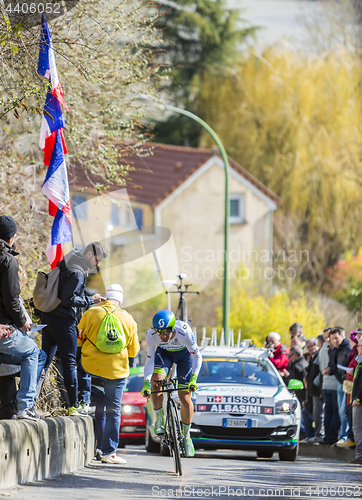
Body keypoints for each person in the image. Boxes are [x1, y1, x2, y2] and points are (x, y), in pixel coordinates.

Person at [41, 241, 108, 416]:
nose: (97, 264)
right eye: (97, 260)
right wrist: (90, 301)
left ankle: (28, 402)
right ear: (88, 255)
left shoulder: (68, 262)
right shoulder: (78, 272)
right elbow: (68, 299)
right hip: (64, 321)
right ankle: (74, 406)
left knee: (44, 363)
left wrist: (87, 296)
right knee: (70, 363)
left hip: (49, 317)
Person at [77, 283, 139, 464]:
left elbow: (79, 340)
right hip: (115, 371)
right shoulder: (128, 319)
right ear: (120, 301)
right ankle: (108, 452)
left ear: (105, 297)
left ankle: (94, 443)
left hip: (91, 368)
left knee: (98, 407)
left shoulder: (90, 313)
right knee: (113, 410)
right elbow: (134, 352)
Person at [0, 215, 46, 420]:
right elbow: (11, 299)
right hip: (4, 330)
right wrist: (23, 323)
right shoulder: (8, 260)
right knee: (33, 353)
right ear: (11, 238)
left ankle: (11, 405)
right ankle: (25, 406)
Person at [141, 310, 202, 458]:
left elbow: (197, 356)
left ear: (173, 327)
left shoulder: (184, 331)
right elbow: (149, 360)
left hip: (185, 357)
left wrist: (194, 378)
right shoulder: (151, 335)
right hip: (165, 354)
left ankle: (186, 436)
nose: (163, 336)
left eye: (167, 331)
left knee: (185, 397)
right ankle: (160, 418)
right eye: (159, 332)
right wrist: (146, 382)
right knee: (156, 383)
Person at [326, 326, 351, 445]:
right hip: (340, 383)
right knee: (341, 412)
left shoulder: (347, 348)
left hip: (347, 383)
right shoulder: (335, 349)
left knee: (343, 411)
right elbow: (334, 364)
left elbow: (344, 365)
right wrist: (330, 369)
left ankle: (345, 436)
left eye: (336, 338)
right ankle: (343, 436)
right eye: (332, 339)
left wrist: (334, 369)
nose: (334, 341)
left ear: (343, 336)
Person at [319, 327, 340, 445]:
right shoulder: (331, 350)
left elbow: (320, 368)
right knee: (335, 412)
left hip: (325, 384)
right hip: (334, 383)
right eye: (328, 337)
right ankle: (331, 437)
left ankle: (327, 436)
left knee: (328, 412)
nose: (330, 339)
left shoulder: (322, 350)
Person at [302, 337, 324, 443]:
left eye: (311, 346)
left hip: (318, 391)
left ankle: (319, 435)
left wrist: (320, 391)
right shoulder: (312, 357)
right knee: (310, 412)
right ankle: (313, 435)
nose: (310, 349)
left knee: (319, 414)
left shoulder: (319, 356)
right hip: (312, 391)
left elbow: (320, 374)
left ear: (317, 345)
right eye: (308, 347)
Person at [349, 337, 362, 464]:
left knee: (357, 427)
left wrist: (357, 398)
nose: (356, 347)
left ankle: (360, 456)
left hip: (359, 400)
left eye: (359, 345)